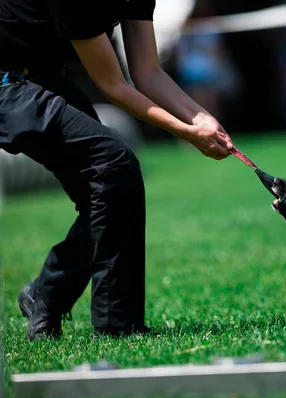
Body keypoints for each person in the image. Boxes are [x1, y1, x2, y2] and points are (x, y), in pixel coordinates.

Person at [0, 0, 234, 341]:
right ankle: (117, 325)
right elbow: (113, 85)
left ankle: (46, 293)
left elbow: (147, 71)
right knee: (113, 163)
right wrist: (185, 132)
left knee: (113, 187)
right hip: (9, 85)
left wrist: (200, 118)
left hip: (45, 79)